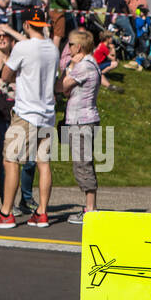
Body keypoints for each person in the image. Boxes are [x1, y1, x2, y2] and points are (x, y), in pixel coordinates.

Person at [0, 18, 59, 228]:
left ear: (26, 25)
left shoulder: (23, 47)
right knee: (44, 163)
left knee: (10, 160)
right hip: (47, 113)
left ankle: (6, 213)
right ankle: (42, 212)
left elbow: (5, 76)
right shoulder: (52, 48)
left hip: (26, 112)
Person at [0, 24, 34, 213]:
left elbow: (32, 44)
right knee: (1, 161)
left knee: (29, 160)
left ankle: (26, 199)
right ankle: (7, 202)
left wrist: (11, 30)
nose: (2, 39)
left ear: (12, 40)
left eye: (5, 36)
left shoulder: (20, 58)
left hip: (19, 114)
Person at [60, 29, 103, 225]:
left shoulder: (83, 66)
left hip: (81, 120)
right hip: (84, 118)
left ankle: (90, 209)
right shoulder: (92, 64)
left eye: (69, 45)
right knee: (83, 162)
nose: (67, 48)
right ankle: (89, 207)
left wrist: (70, 65)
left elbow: (64, 86)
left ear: (78, 47)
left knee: (83, 164)